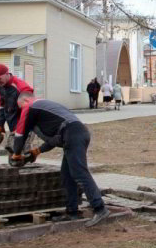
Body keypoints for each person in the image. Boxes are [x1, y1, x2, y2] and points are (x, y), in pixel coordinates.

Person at [11, 93, 109, 227]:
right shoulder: (47, 109)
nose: (22, 110)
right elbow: (55, 139)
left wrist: (16, 153)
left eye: (20, 107)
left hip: (73, 134)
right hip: (76, 133)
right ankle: (72, 212)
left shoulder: (31, 106)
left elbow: (20, 134)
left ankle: (100, 208)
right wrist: (37, 151)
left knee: (79, 173)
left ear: (26, 100)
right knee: (67, 175)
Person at [0, 63, 34, 153]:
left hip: (24, 128)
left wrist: (19, 130)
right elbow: (2, 108)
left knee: (22, 156)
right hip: (12, 127)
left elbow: (29, 112)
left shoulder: (21, 87)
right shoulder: (0, 87)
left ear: (6, 73)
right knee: (12, 156)